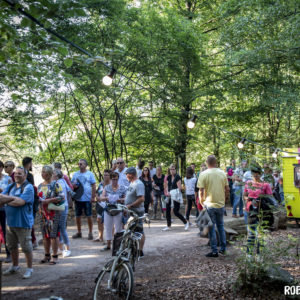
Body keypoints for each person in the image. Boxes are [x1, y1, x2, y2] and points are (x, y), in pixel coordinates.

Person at [1, 166, 34, 278]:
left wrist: (7, 200)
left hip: (23, 223)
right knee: (11, 246)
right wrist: (13, 199)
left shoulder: (28, 187)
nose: (17, 175)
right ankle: (15, 266)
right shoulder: (11, 186)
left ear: (25, 175)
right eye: (15, 173)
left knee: (26, 247)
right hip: (10, 223)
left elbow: (20, 202)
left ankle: (29, 268)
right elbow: (1, 198)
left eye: (20, 174)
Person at [198, 155, 229, 257]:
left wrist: (202, 202)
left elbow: (201, 191)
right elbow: (227, 189)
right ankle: (223, 249)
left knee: (211, 228)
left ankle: (214, 250)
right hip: (220, 204)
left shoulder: (203, 174)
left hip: (209, 205)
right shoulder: (222, 173)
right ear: (215, 162)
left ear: (207, 163)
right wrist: (225, 200)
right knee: (221, 226)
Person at [244, 165, 273, 256]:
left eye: (257, 175)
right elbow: (244, 195)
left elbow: (270, 197)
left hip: (262, 211)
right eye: (254, 175)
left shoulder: (265, 184)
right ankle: (249, 254)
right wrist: (248, 199)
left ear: (260, 174)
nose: (255, 177)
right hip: (250, 211)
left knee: (260, 234)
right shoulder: (248, 183)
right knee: (251, 232)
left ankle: (259, 254)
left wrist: (261, 200)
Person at [38, 166, 65, 265]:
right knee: (45, 235)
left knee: (53, 235)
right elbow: (38, 198)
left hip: (53, 213)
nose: (42, 174)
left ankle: (55, 256)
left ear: (49, 174)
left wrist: (50, 200)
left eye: (44, 172)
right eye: (42, 172)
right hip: (42, 213)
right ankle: (47, 255)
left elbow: (62, 197)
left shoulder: (56, 184)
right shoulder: (40, 185)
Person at [100, 172, 126, 251]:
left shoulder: (122, 188)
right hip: (108, 209)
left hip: (118, 209)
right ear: (111, 179)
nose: (115, 181)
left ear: (118, 179)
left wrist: (119, 199)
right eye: (113, 179)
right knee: (108, 227)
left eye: (116, 179)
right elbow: (102, 197)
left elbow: (125, 198)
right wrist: (107, 198)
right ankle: (108, 245)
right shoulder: (106, 187)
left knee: (118, 228)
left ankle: (118, 246)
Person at [71, 159, 96, 240]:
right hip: (78, 198)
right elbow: (71, 185)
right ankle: (79, 232)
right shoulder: (75, 174)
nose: (79, 165)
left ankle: (90, 232)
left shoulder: (90, 174)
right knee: (77, 216)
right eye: (78, 164)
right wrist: (73, 186)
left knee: (89, 215)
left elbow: (94, 185)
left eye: (81, 164)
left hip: (87, 198)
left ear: (85, 165)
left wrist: (93, 196)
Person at [125, 167, 146, 257]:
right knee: (131, 230)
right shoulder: (132, 183)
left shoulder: (138, 184)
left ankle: (140, 251)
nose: (126, 176)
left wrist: (131, 205)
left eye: (127, 174)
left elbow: (141, 198)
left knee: (140, 231)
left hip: (137, 211)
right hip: (131, 211)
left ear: (131, 175)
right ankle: (132, 249)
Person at [163, 164, 188, 231]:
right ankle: (168, 226)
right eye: (171, 169)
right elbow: (167, 186)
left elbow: (179, 188)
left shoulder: (178, 177)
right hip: (169, 196)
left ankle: (185, 222)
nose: (172, 170)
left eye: (173, 169)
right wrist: (167, 192)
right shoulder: (169, 177)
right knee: (167, 211)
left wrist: (172, 192)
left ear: (175, 170)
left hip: (176, 196)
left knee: (175, 211)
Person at [53, 169, 71, 258]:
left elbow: (62, 195)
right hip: (61, 206)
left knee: (62, 228)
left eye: (53, 174)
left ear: (56, 175)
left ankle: (67, 249)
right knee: (59, 228)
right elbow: (69, 191)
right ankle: (62, 248)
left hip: (61, 207)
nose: (52, 175)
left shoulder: (58, 183)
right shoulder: (63, 181)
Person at [0, 161, 13, 262]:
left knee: (6, 231)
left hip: (4, 208)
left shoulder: (8, 179)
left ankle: (9, 254)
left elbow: (12, 192)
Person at [95, 169, 111, 242]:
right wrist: (97, 197)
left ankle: (109, 238)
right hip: (100, 204)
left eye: (107, 175)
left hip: (108, 205)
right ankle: (100, 236)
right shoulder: (101, 184)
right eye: (104, 175)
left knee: (108, 222)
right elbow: (97, 192)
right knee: (99, 220)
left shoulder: (112, 185)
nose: (105, 176)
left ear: (110, 176)